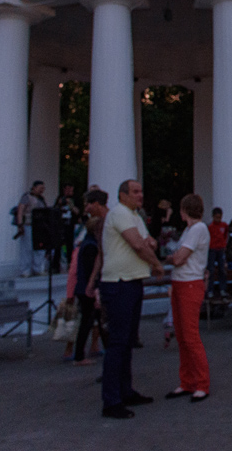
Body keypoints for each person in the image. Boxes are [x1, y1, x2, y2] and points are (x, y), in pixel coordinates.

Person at [86, 179, 164, 419]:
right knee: (118, 344)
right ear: (122, 195)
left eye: (141, 191)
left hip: (133, 281)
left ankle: (125, 391)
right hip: (118, 284)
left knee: (127, 341)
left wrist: (150, 245)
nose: (140, 195)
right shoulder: (120, 214)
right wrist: (157, 265)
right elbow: (139, 245)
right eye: (135, 192)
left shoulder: (135, 216)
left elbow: (150, 241)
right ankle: (111, 401)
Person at [165, 194, 211, 403]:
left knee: (190, 336)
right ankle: (187, 381)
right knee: (182, 335)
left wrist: (172, 258)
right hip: (181, 283)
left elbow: (180, 258)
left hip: (190, 283)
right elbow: (179, 257)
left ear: (184, 210)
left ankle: (202, 383)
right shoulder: (189, 230)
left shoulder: (198, 229)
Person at [72, 190, 108, 366]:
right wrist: (93, 288)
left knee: (96, 323)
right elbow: (88, 270)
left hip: (85, 288)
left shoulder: (87, 244)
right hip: (88, 289)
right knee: (89, 323)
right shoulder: (91, 247)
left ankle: (100, 351)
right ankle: (79, 355)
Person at [16, 181, 48, 277]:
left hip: (39, 227)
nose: (42, 190)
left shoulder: (41, 199)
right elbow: (20, 210)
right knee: (27, 248)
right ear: (34, 188)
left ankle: (38, 269)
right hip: (28, 225)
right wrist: (20, 224)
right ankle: (25, 270)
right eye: (40, 188)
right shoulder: (26, 197)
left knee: (40, 248)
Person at [55, 184, 81, 267]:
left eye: (71, 190)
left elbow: (78, 212)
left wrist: (70, 204)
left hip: (70, 224)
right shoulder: (60, 198)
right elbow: (54, 209)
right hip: (60, 224)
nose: (69, 191)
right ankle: (56, 264)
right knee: (57, 244)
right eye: (67, 189)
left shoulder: (76, 199)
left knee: (69, 244)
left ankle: (70, 262)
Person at [205, 207, 228, 299]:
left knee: (222, 269)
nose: (218, 219)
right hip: (212, 249)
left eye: (220, 217)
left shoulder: (224, 225)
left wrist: (224, 244)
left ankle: (223, 289)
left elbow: (225, 235)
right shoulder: (210, 227)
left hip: (221, 249)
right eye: (216, 217)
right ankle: (210, 289)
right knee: (211, 269)